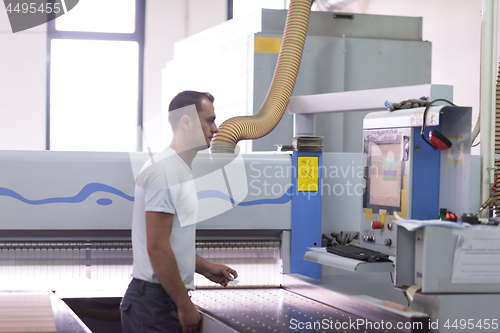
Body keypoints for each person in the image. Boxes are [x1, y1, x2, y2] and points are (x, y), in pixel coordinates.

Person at [121, 91, 238, 333]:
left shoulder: (179, 169)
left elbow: (170, 244)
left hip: (161, 298)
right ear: (186, 122)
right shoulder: (165, 170)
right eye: (209, 120)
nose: (215, 129)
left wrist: (206, 268)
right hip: (154, 304)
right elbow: (157, 247)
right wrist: (184, 305)